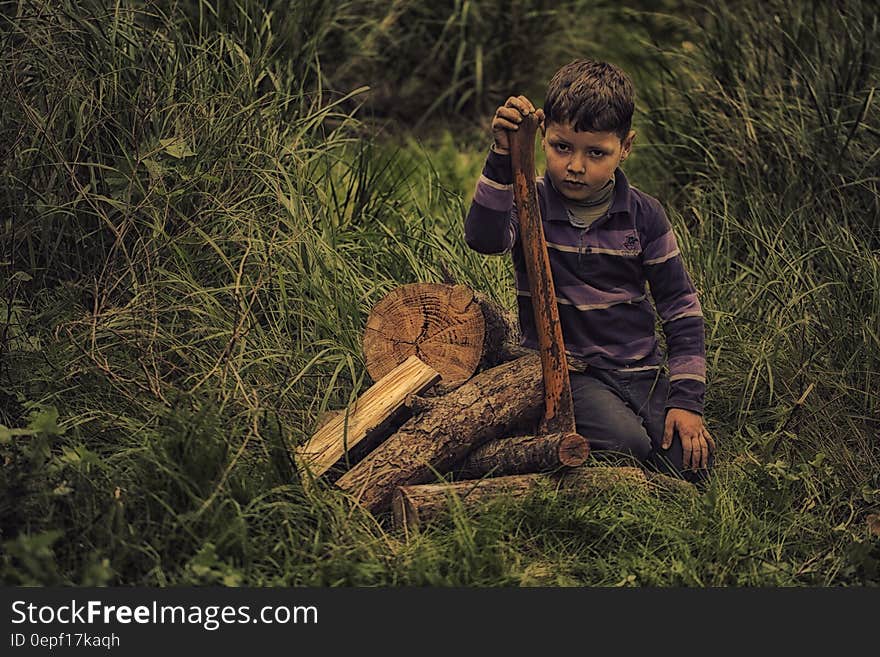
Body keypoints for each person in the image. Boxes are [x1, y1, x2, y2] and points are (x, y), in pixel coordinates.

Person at [464, 59, 715, 482]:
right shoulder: (533, 202)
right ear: (544, 137)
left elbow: (680, 308)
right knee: (628, 445)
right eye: (563, 147)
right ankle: (550, 430)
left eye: (596, 153)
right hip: (568, 372)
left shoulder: (644, 215)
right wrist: (503, 158)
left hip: (639, 371)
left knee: (690, 464)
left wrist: (687, 401)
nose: (576, 166)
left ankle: (643, 441)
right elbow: (484, 239)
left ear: (626, 147)